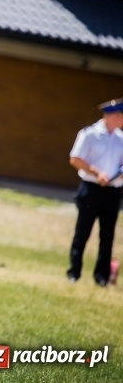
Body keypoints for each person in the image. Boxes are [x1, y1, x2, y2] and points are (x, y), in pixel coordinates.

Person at [66, 98, 123, 286]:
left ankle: (102, 277)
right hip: (91, 188)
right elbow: (75, 158)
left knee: (107, 236)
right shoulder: (90, 134)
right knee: (82, 232)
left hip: (112, 192)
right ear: (112, 116)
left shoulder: (121, 139)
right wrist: (96, 172)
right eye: (120, 116)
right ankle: (74, 272)